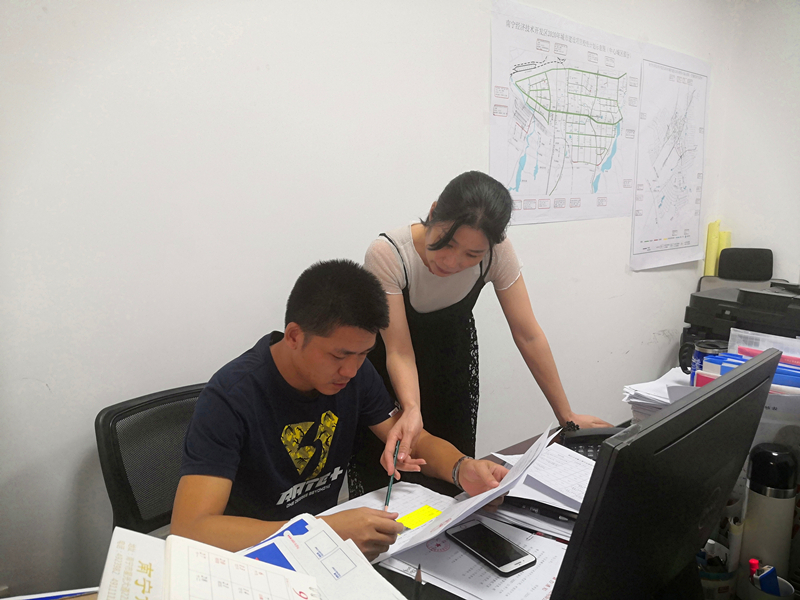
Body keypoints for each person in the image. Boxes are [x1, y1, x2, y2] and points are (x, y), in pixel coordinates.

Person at [171, 259, 507, 560]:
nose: (350, 370)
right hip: (252, 560)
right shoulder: (231, 397)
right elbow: (192, 529)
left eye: (363, 354)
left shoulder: (356, 374)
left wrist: (461, 469)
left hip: (324, 553)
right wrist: (321, 530)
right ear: (294, 336)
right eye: (338, 356)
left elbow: (410, 440)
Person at [349, 171, 612, 496]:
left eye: (472, 255)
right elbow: (399, 350)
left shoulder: (497, 253)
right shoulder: (389, 254)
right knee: (390, 483)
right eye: (447, 242)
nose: (452, 261)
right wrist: (412, 409)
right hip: (391, 380)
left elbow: (528, 334)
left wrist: (566, 416)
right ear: (433, 213)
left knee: (455, 480)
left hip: (452, 373)